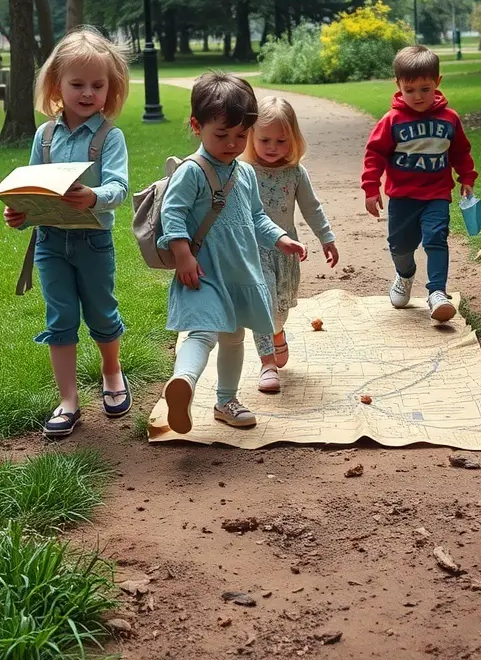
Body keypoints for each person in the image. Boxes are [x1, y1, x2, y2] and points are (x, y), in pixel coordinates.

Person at [160, 74, 306, 433]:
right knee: (203, 334)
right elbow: (172, 213)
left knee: (234, 338)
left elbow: (257, 216)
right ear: (197, 126)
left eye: (241, 136)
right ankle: (184, 383)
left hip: (240, 272)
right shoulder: (192, 171)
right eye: (221, 135)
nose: (232, 144)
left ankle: (226, 401)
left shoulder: (244, 173)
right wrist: (182, 255)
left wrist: (280, 238)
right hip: (204, 272)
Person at [4, 27, 131, 438]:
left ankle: (112, 373)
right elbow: (30, 186)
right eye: (77, 84)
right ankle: (68, 399)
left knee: (101, 312)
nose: (88, 93)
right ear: (57, 84)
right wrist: (20, 212)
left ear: (110, 89)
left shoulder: (110, 137)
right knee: (60, 318)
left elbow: (120, 187)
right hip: (50, 244)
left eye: (98, 85)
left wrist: (93, 195)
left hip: (93, 243)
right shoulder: (44, 136)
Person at [361, 45, 477, 322]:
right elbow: (374, 153)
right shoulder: (392, 121)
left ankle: (437, 292)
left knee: (436, 238)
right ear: (398, 85)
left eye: (425, 89)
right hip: (402, 197)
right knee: (400, 246)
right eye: (409, 89)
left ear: (437, 82)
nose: (417, 96)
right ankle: (404, 275)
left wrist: (467, 177)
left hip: (436, 194)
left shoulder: (449, 119)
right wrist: (370, 187)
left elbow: (460, 151)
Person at [243, 97, 339, 392]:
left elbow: (311, 207)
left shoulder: (295, 173)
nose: (272, 147)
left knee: (280, 305)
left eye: (281, 140)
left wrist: (326, 237)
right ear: (251, 137)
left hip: (286, 252)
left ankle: (278, 333)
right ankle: (266, 363)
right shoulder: (244, 170)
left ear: (293, 139)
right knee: (263, 303)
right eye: (265, 139)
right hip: (253, 250)